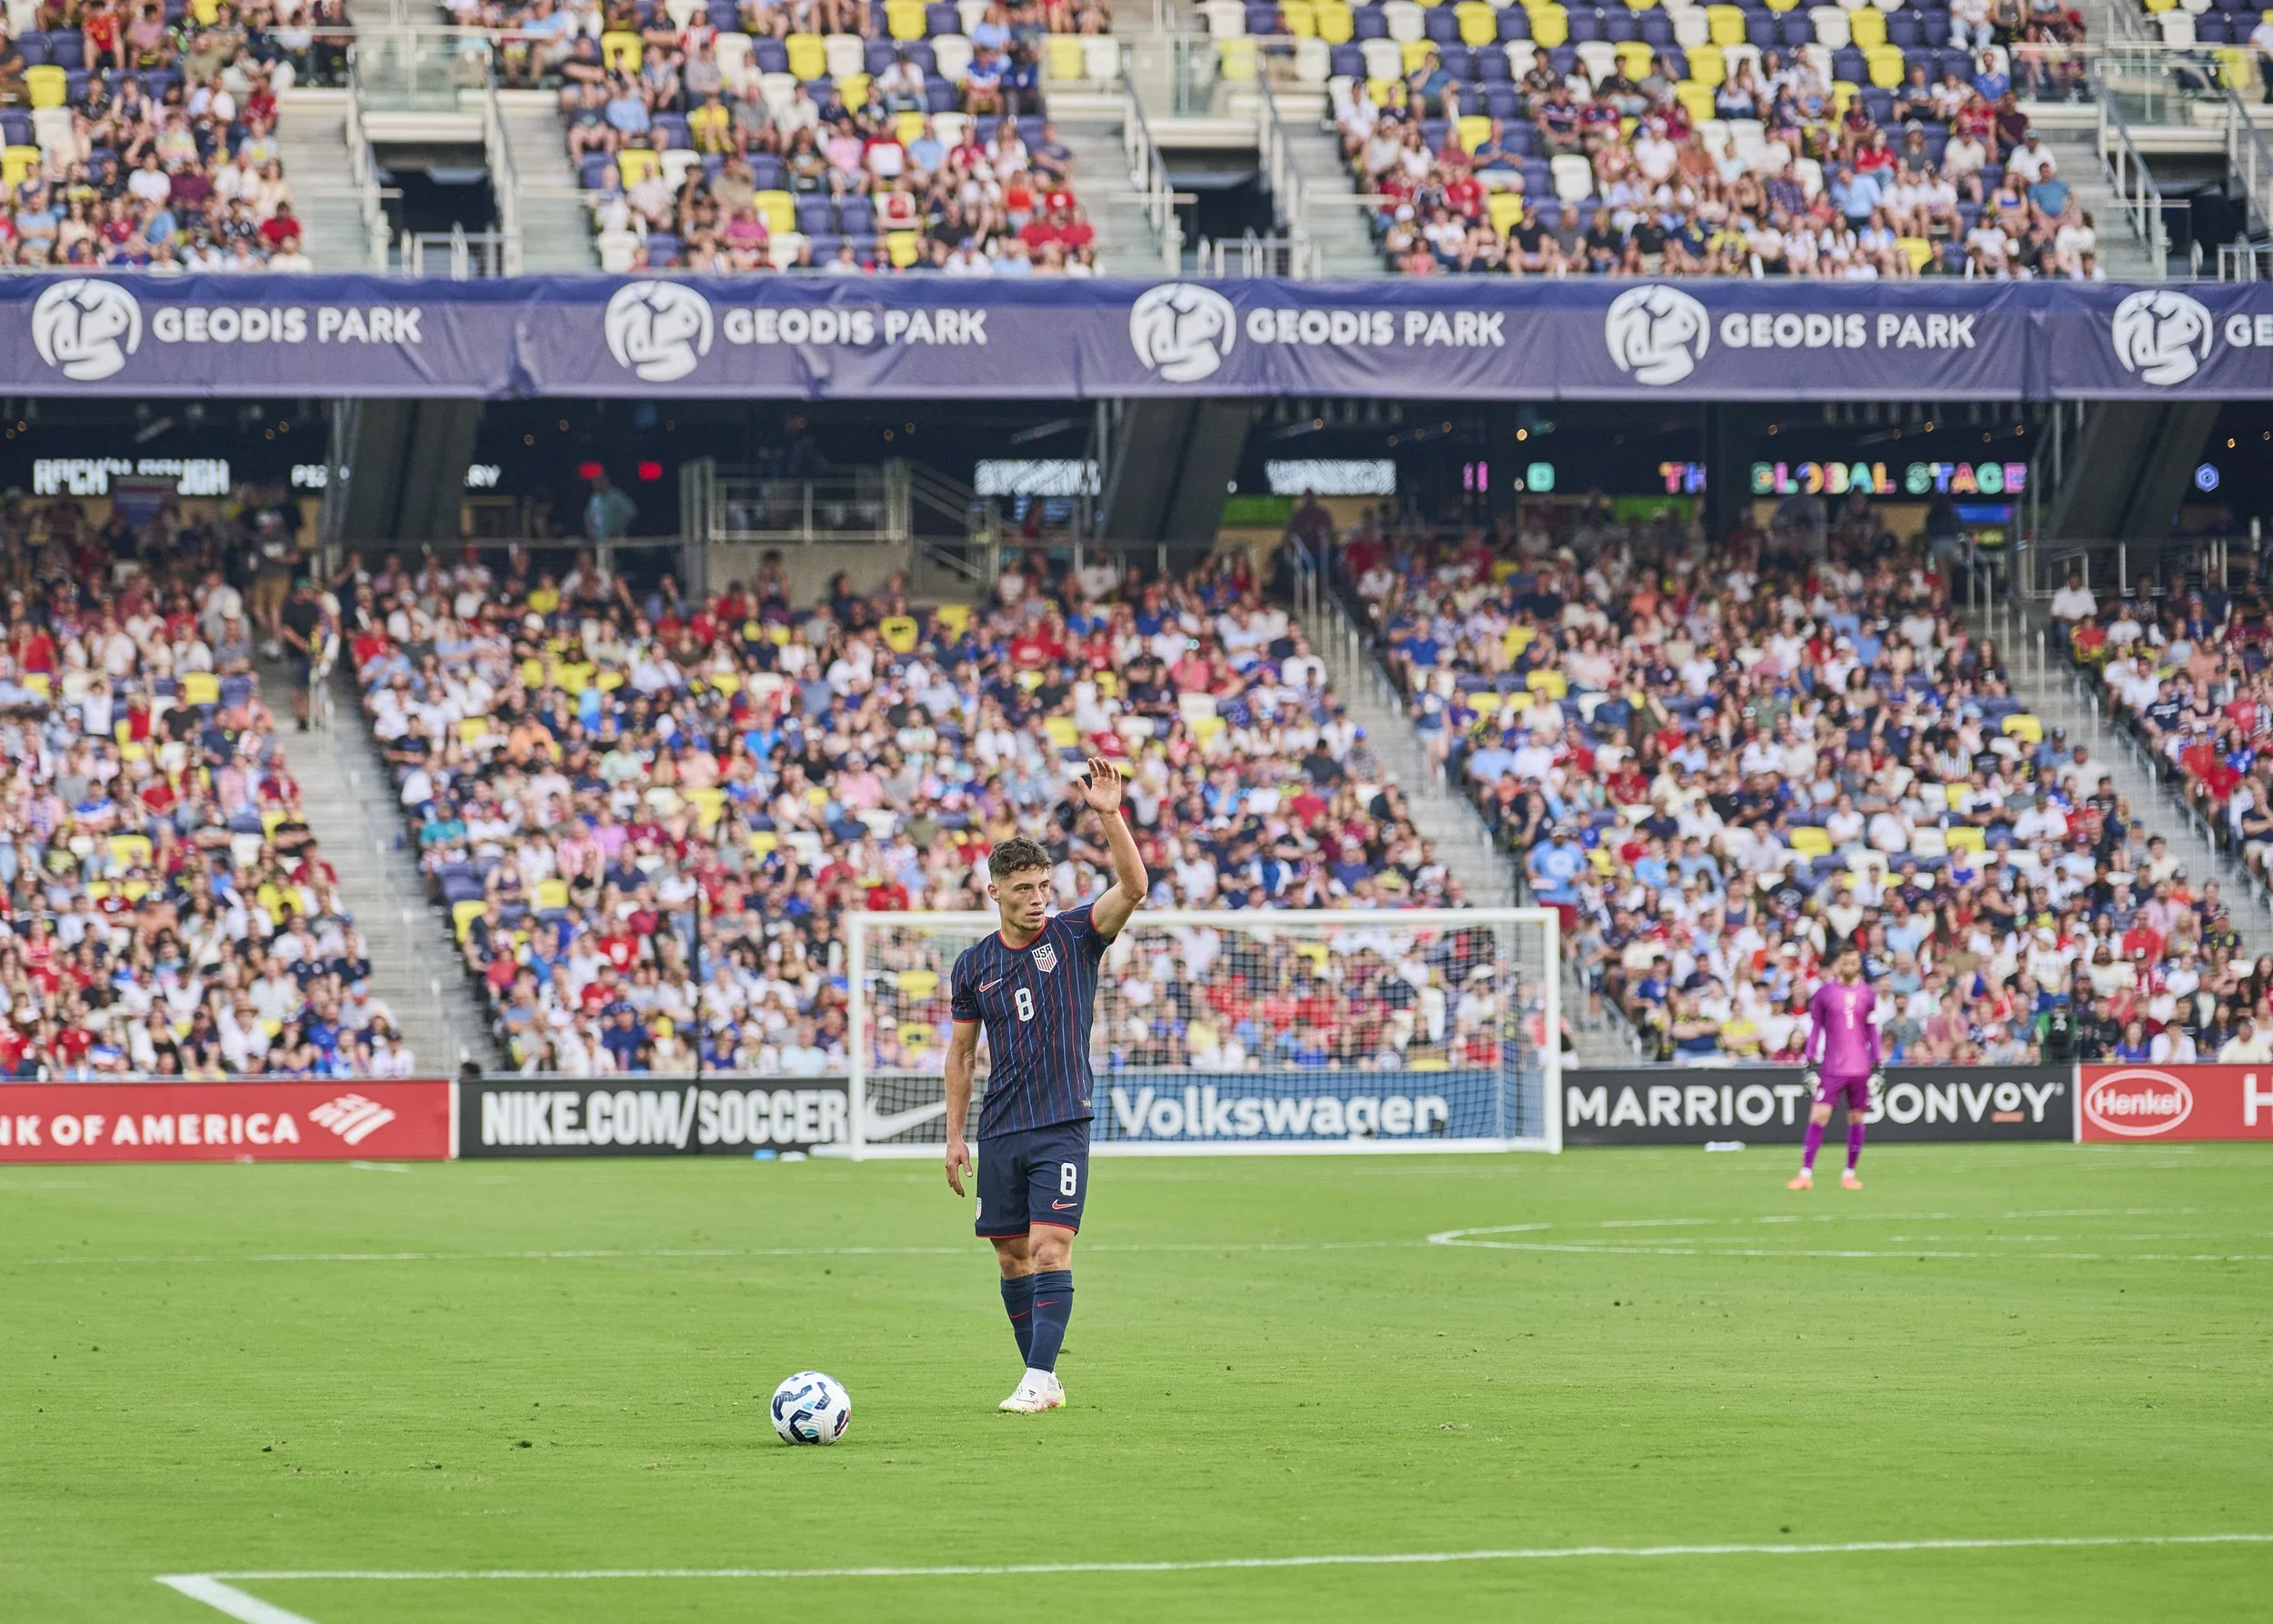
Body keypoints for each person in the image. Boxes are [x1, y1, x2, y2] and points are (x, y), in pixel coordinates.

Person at [942, 757, 1147, 1415]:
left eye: (1044, 885)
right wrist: (953, 1137)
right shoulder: (973, 965)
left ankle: (1036, 1376)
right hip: (1001, 1127)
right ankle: (1044, 1378)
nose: (1037, 897)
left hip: (1062, 1120)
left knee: (1050, 1245)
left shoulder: (1075, 936)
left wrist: (1109, 815)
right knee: (1010, 1260)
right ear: (995, 892)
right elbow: (962, 1052)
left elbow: (1135, 887)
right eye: (1024, 887)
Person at [1790, 947, 1880, 1191]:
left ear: (1858, 965)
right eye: (1845, 962)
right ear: (1838, 964)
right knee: (1819, 1115)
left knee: (1857, 1118)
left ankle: (1850, 1173)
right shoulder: (1824, 994)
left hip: (1860, 1067)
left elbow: (1872, 1030)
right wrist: (1809, 1061)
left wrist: (1878, 1063)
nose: (1850, 966)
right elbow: (1816, 1028)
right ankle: (1805, 1173)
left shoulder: (1868, 994)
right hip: (1832, 1066)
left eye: (1854, 962)